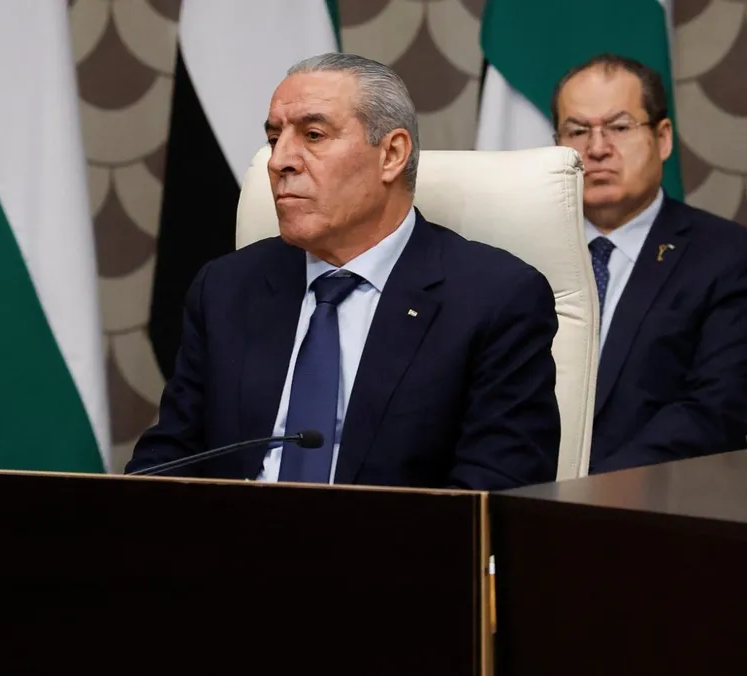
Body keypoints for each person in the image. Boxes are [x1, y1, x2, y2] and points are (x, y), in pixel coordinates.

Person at [125, 53, 560, 489]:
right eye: (274, 138)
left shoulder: (494, 299)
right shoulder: (227, 288)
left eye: (313, 135)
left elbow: (494, 492)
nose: (279, 161)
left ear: (392, 154)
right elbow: (166, 462)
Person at [551, 54, 747, 474]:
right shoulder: (516, 255)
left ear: (663, 138)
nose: (597, 149)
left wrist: (587, 490)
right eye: (578, 131)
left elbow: (715, 409)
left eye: (620, 127)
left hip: (652, 499)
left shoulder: (726, 255)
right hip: (515, 495)